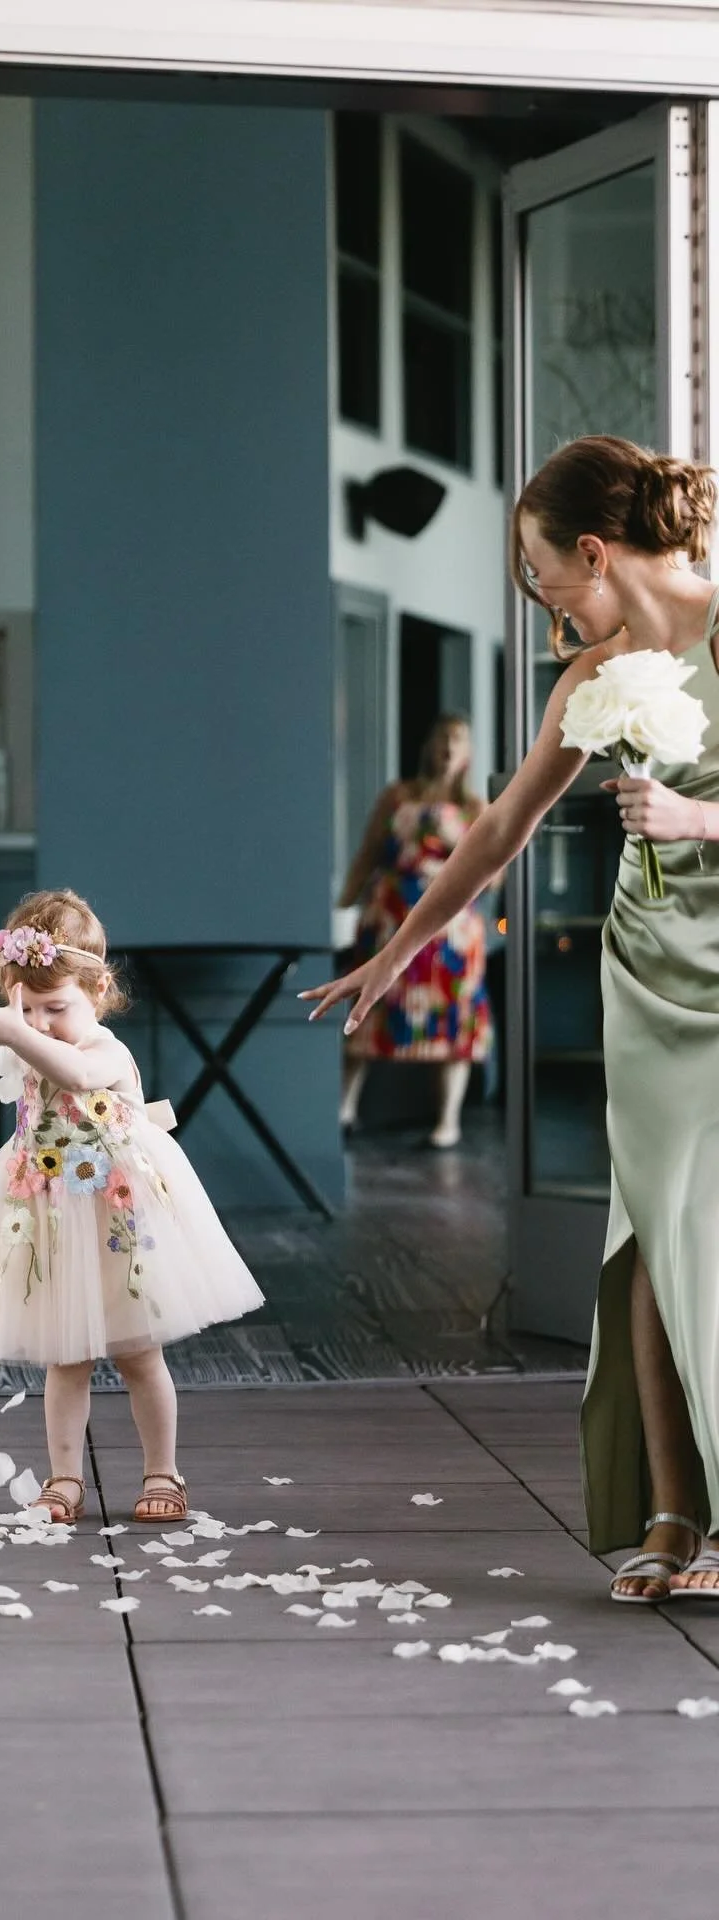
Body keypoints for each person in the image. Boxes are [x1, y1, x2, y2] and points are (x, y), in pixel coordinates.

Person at [304, 434, 719, 1602]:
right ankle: (677, 1514)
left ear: (592, 554)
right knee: (643, 1233)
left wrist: (698, 826)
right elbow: (495, 831)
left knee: (714, 1231)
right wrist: (393, 953)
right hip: (648, 970)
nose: (538, 606)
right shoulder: (592, 681)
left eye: (540, 578)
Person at [0, 889, 263, 1525]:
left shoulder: (104, 1050)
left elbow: (76, 1075)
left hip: (118, 1220)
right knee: (66, 1357)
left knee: (140, 1352)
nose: (39, 1023)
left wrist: (11, 1034)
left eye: (55, 1007)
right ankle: (63, 1478)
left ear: (99, 990)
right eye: (23, 1007)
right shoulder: (24, 1035)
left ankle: (163, 1470)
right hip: (50, 1218)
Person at [337, 714, 493, 1148]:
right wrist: (342, 906)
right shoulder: (397, 796)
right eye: (442, 740)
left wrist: (453, 843)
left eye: (457, 742)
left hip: (451, 930)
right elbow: (367, 853)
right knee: (369, 1005)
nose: (447, 749)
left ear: (468, 754)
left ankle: (448, 1122)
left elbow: (494, 877)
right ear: (429, 746)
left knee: (456, 1015)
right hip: (391, 915)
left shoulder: (475, 808)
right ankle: (344, 1109)